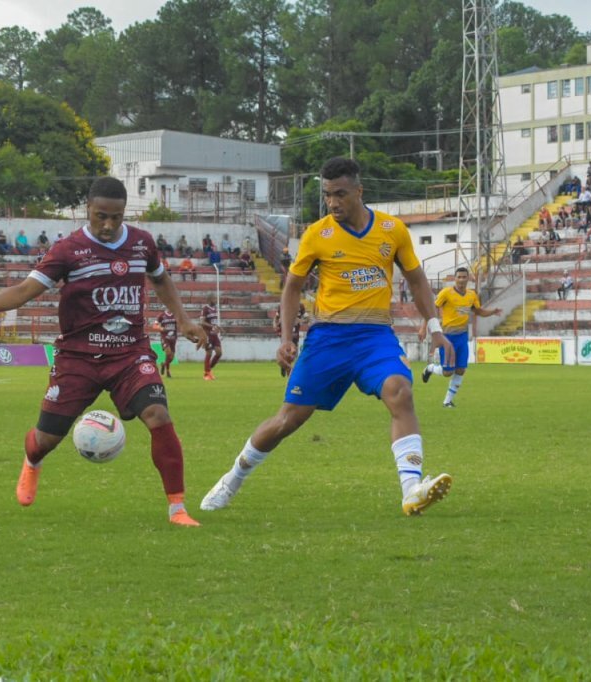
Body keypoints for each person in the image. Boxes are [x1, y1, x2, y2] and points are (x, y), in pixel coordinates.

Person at [199, 157, 455, 518]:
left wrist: (435, 328)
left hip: (374, 336)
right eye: (327, 195)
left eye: (340, 194)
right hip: (328, 339)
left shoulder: (392, 230)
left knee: (401, 391)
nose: (333, 203)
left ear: (358, 191)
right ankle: (232, 479)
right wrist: (287, 339)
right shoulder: (317, 235)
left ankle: (411, 490)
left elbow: (416, 279)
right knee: (288, 420)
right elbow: (292, 289)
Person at [0, 176, 208, 527]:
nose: (107, 225)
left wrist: (183, 320)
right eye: (100, 216)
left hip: (129, 354)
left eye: (115, 217)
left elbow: (161, 278)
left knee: (158, 416)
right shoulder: (67, 250)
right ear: (86, 210)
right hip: (78, 357)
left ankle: (177, 508)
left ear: (124, 214)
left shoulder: (142, 243)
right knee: (46, 439)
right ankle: (32, 461)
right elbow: (27, 290)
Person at [420, 267, 502, 407]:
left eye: (464, 277)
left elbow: (478, 311)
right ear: (455, 278)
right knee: (447, 372)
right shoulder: (446, 293)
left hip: (462, 336)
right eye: (459, 277)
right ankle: (430, 368)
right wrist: (423, 328)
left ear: (468, 279)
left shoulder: (471, 295)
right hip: (447, 337)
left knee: (460, 370)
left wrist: (492, 312)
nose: (462, 280)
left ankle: (447, 402)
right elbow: (431, 310)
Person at [273, 302, 307, 377]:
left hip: (295, 335)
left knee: (294, 352)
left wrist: (300, 320)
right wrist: (275, 325)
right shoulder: (282, 306)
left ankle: (288, 367)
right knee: (286, 350)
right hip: (285, 334)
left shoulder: (301, 306)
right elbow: (276, 317)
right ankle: (286, 367)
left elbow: (305, 319)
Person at [155, 308, 178, 378]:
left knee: (171, 358)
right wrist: (161, 328)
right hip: (165, 338)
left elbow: (180, 324)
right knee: (168, 353)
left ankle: (164, 365)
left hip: (173, 338)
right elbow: (155, 325)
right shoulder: (161, 315)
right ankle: (168, 372)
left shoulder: (176, 315)